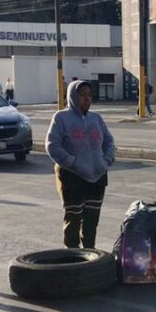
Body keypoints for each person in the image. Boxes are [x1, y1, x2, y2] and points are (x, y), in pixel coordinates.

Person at [47, 80, 116, 249]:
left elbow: (109, 141)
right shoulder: (61, 118)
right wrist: (73, 162)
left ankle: (89, 257)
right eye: (82, 95)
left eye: (89, 95)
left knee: (91, 223)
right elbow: (52, 145)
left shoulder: (96, 118)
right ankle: (71, 259)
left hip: (97, 177)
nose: (86, 99)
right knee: (73, 221)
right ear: (72, 97)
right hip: (73, 178)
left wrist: (106, 160)